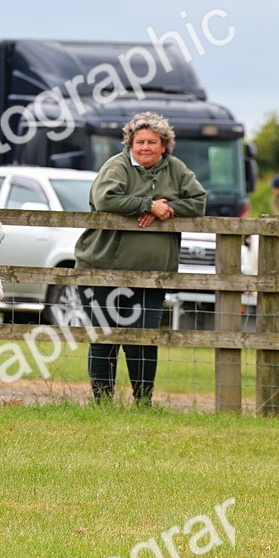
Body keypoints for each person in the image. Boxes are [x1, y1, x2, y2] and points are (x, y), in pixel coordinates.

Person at [74, 112, 207, 405]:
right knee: (106, 338)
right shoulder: (117, 166)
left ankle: (144, 402)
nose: (145, 147)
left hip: (153, 275)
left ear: (164, 145)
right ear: (130, 144)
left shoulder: (176, 168)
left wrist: (166, 208)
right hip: (103, 270)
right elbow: (106, 199)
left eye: (152, 142)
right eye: (139, 142)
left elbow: (199, 201)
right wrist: (146, 204)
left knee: (144, 340)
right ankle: (102, 402)